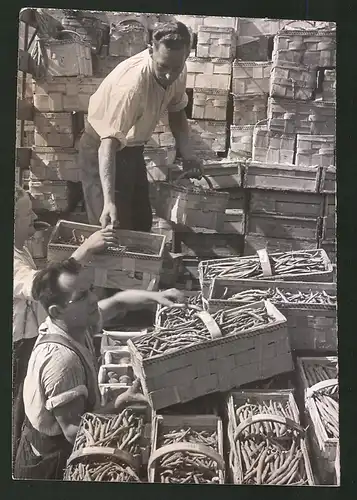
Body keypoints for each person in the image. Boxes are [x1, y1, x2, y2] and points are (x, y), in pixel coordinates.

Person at [14, 258, 184, 480]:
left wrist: (156, 297)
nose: (94, 298)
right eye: (82, 296)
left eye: (91, 289)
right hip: (49, 464)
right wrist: (117, 404)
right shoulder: (62, 362)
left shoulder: (76, 323)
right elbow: (74, 432)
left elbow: (118, 302)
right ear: (56, 312)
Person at [12, 184, 119, 462]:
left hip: (27, 339)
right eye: (26, 216)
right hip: (17, 346)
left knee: (34, 405)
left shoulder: (17, 246)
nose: (34, 218)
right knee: (24, 412)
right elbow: (40, 287)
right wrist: (84, 249)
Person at [78, 20, 204, 230]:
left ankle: (140, 262)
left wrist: (188, 155)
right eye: (162, 67)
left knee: (140, 223)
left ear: (186, 56)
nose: (168, 75)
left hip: (132, 149)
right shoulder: (131, 87)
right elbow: (107, 145)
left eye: (176, 68)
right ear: (151, 51)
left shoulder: (178, 69)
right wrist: (109, 202)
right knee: (112, 228)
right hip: (101, 150)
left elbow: (176, 113)